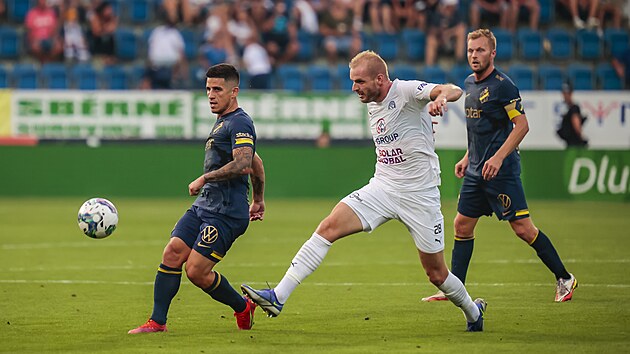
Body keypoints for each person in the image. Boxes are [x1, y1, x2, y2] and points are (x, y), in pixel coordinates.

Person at [242, 50, 487, 332]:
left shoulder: (406, 91)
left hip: (420, 195)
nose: (354, 88)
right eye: (353, 81)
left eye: (359, 81)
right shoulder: (372, 102)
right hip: (382, 187)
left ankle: (472, 311)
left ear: (380, 79)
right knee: (328, 227)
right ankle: (278, 296)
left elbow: (451, 89)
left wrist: (441, 98)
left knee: (436, 273)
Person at [421, 29, 577, 303]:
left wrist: (498, 157)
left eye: (480, 50)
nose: (474, 55)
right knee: (461, 226)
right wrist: (469, 156)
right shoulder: (469, 83)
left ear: (492, 53)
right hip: (475, 171)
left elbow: (522, 126)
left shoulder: (504, 86)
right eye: (470, 50)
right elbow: (481, 129)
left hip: (501, 172)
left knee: (523, 230)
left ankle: (564, 277)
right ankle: (455, 290)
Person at [128, 63, 266, 334]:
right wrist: (259, 199)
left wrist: (204, 178)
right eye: (208, 89)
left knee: (196, 272)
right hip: (205, 205)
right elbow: (257, 162)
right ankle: (157, 322)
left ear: (234, 91)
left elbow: (243, 164)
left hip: (226, 212)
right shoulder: (223, 121)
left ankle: (242, 307)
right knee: (172, 252)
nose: (211, 95)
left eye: (218, 89)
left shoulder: (240, 122)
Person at [556, 82, 588, 147]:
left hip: (574, 142)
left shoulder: (574, 108)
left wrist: (581, 137)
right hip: (570, 142)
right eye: (564, 93)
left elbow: (576, 122)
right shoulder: (567, 108)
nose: (565, 96)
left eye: (567, 93)